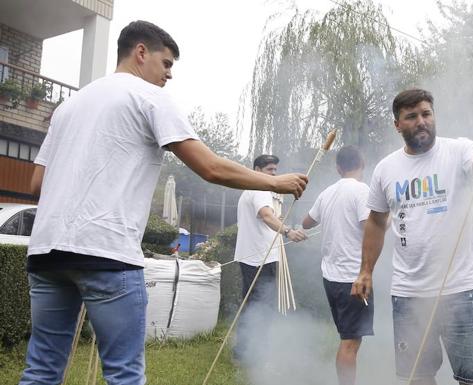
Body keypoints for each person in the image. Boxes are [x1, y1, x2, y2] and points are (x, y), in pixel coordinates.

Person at [21, 20, 308, 385]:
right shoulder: (148, 97)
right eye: (167, 63)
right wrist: (274, 181)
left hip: (47, 253)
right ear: (141, 52)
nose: (169, 75)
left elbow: (36, 184)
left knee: (42, 370)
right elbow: (209, 167)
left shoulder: (68, 107)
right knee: (124, 374)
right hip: (106, 254)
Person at [351, 89, 473, 385]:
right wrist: (365, 270)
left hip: (462, 289)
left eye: (426, 113)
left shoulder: (460, 150)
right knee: (418, 377)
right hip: (409, 292)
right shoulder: (386, 169)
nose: (421, 121)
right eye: (411, 117)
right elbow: (376, 221)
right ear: (397, 125)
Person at [301, 145, 373, 385]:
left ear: (338, 168)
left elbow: (307, 222)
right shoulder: (362, 190)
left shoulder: (327, 193)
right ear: (362, 164)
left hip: (330, 278)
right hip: (353, 278)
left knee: (347, 337)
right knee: (350, 342)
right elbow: (369, 227)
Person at [233, 154, 307, 361]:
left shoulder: (253, 189)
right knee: (259, 304)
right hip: (259, 257)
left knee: (256, 303)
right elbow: (265, 215)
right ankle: (248, 352)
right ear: (257, 170)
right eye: (269, 170)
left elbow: (267, 216)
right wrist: (287, 231)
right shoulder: (260, 189)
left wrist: (278, 221)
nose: (274, 174)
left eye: (275, 170)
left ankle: (250, 349)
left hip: (257, 255)